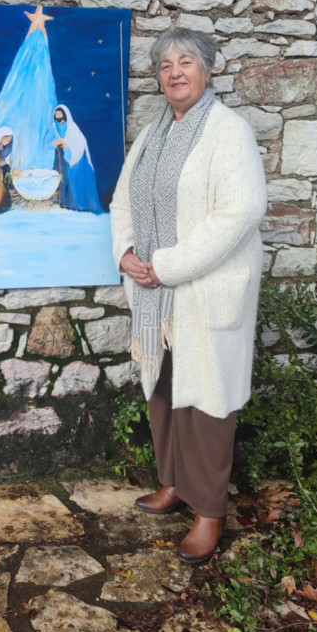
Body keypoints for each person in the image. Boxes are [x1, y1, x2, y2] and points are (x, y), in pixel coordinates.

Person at [110, 28, 267, 564]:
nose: (174, 72)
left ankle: (209, 512)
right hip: (157, 297)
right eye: (165, 65)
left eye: (186, 62)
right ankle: (173, 483)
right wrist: (126, 253)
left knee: (207, 403)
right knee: (164, 391)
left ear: (207, 70)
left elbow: (240, 213)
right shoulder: (151, 136)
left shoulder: (228, 132)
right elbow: (122, 202)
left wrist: (168, 266)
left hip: (203, 290)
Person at [48, 105, 103, 214]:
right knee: (60, 179)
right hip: (59, 158)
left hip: (73, 158)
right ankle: (62, 202)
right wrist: (56, 143)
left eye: (60, 113)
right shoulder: (53, 128)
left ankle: (76, 205)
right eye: (56, 113)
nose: (58, 115)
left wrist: (66, 145)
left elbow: (79, 143)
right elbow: (47, 143)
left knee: (73, 178)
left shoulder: (72, 128)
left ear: (65, 114)